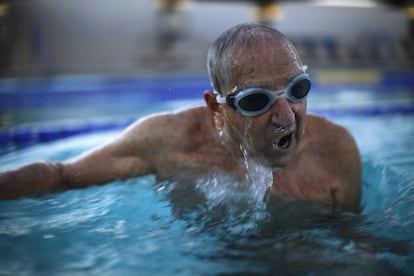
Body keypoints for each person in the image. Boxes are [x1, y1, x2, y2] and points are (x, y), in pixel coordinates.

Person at [0, 23, 361, 212]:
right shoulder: (168, 140)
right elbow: (60, 175)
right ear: (216, 108)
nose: (286, 116)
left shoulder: (336, 150)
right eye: (256, 101)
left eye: (298, 90)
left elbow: (355, 239)